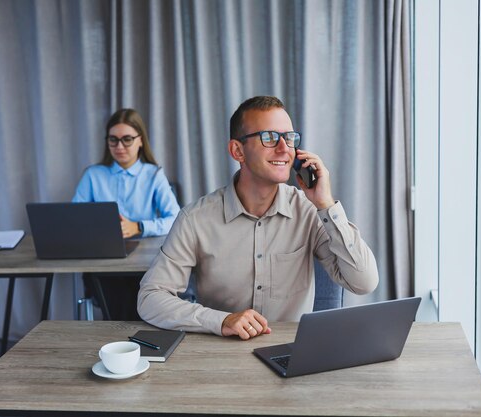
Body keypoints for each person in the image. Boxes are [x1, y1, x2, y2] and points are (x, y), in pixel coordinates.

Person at [137, 96, 378, 338]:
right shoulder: (195, 219)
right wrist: (221, 320)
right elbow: (150, 298)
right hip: (220, 355)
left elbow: (364, 282)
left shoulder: (308, 211)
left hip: (292, 354)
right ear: (237, 150)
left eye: (290, 138)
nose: (285, 149)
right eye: (270, 137)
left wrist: (326, 204)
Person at [73, 108, 180, 319]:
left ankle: (127, 341)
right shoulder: (93, 175)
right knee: (112, 291)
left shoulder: (154, 174)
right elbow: (74, 219)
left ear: (140, 140)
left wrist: (139, 227)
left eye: (127, 139)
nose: (119, 146)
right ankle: (121, 341)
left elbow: (176, 219)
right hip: (104, 263)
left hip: (144, 263)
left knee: (141, 292)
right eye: (113, 140)